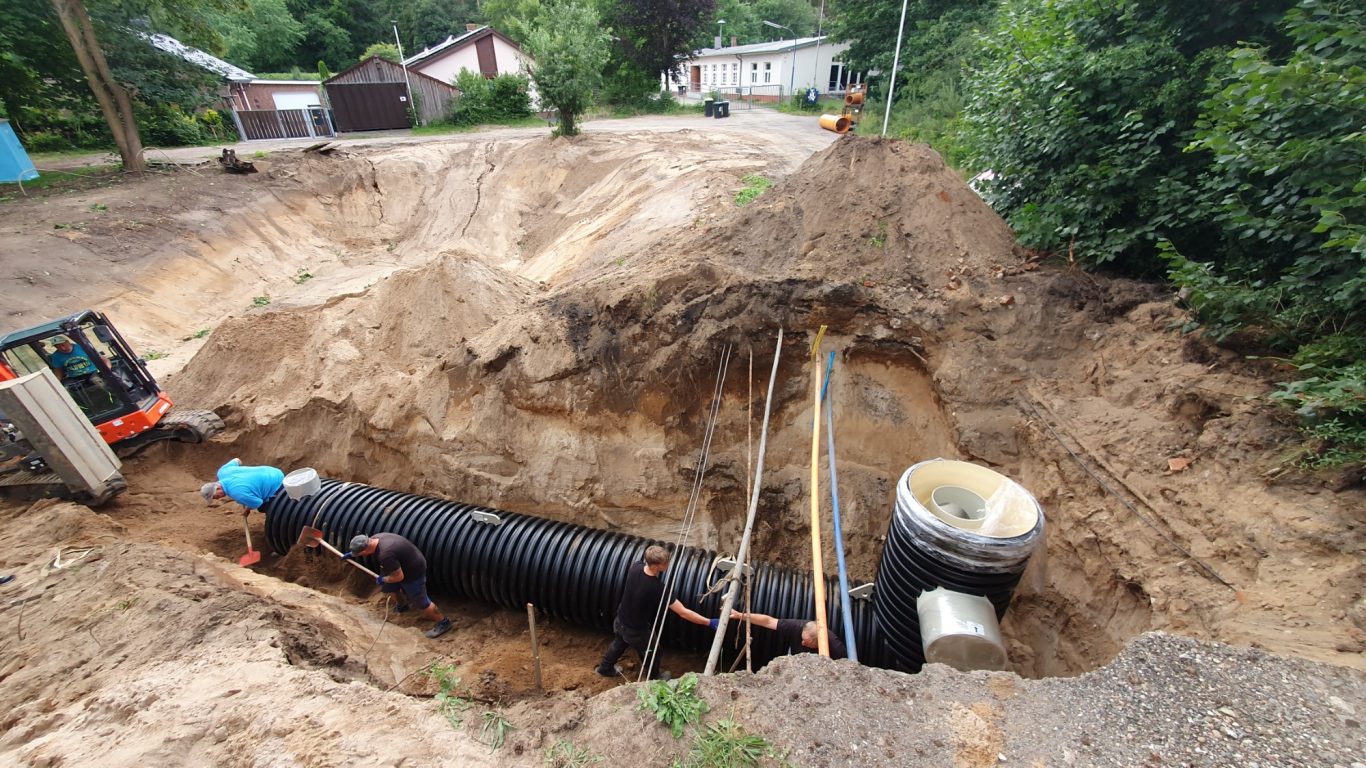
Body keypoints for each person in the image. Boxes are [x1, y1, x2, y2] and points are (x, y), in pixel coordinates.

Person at [595, 544, 718, 680]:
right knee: (654, 651)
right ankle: (654, 677)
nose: (668, 565)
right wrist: (709, 622)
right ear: (656, 565)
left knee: (620, 641)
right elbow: (683, 612)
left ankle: (605, 668)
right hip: (637, 631)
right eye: (666, 563)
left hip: (620, 620)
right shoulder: (657, 588)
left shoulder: (636, 567)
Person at [346, 533, 452, 639]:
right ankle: (402, 605)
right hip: (398, 565)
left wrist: (383, 579)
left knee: (421, 602)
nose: (362, 556)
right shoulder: (375, 538)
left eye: (360, 554)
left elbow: (398, 577)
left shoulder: (385, 554)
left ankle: (444, 623)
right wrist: (351, 554)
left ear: (365, 550)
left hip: (413, 571)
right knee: (389, 587)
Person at [732, 610, 848, 660]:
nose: (802, 643)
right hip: (794, 660)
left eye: (806, 643)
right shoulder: (797, 626)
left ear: (818, 643)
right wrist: (740, 615)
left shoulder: (837, 649)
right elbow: (768, 621)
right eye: (803, 639)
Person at [200, 458, 285, 516]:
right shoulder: (222, 472)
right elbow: (237, 460)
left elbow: (257, 502)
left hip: (276, 485)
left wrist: (248, 508)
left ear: (217, 488)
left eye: (215, 496)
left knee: (263, 508)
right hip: (273, 471)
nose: (217, 499)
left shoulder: (237, 493)